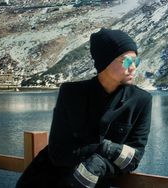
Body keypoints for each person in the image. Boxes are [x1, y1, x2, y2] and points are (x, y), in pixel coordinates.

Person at [16, 28, 152, 188]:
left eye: (136, 62)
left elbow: (133, 159)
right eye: (127, 61)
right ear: (105, 62)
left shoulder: (141, 100)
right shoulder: (71, 93)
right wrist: (108, 148)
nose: (133, 68)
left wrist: (98, 164)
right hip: (44, 180)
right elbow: (59, 153)